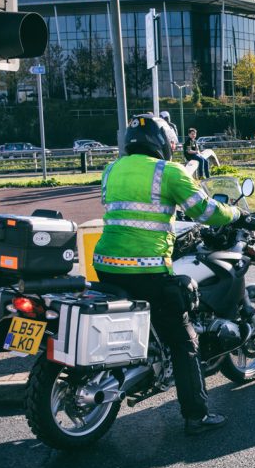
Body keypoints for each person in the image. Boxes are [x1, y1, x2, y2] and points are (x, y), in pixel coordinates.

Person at [93, 114, 243, 436]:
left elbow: (126, 210)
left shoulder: (111, 170)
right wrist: (235, 213)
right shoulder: (167, 171)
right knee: (183, 337)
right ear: (164, 143)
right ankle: (197, 416)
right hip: (145, 268)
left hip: (105, 264)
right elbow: (204, 211)